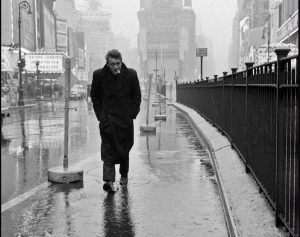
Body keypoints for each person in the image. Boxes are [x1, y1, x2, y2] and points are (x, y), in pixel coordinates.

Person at [91, 49, 141, 193]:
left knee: (124, 149)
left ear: (121, 62)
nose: (116, 67)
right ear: (107, 64)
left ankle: (124, 175)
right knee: (108, 151)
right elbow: (94, 96)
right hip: (108, 121)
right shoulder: (99, 75)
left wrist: (131, 113)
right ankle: (109, 181)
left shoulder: (131, 75)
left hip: (125, 121)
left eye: (118, 63)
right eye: (112, 64)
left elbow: (136, 96)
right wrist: (101, 115)